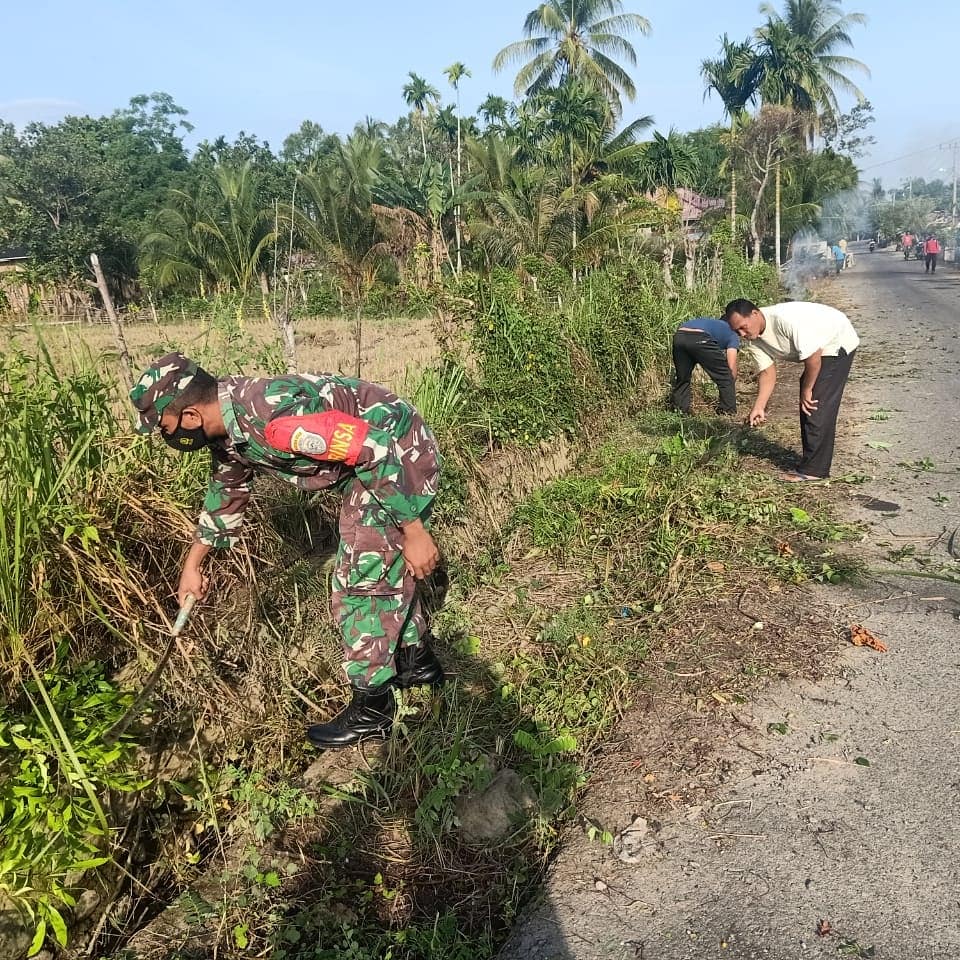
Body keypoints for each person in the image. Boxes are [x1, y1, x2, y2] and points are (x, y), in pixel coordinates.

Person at [130, 354, 444, 749]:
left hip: (398, 456)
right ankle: (417, 663)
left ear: (191, 416)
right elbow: (226, 494)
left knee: (360, 585)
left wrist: (413, 530)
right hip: (371, 464)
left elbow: (375, 449)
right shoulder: (228, 432)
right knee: (382, 568)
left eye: (165, 426)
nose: (167, 436)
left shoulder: (276, 421)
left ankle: (373, 709)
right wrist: (192, 565)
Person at [723, 299, 860, 482]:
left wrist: (807, 389)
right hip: (818, 350)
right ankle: (812, 461)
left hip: (837, 339)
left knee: (815, 402)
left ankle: (815, 470)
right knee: (810, 397)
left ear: (755, 314)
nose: (742, 334)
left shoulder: (785, 320)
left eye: (743, 327)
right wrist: (759, 406)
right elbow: (767, 373)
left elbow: (813, 358)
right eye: (736, 331)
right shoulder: (753, 340)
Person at [669, 316, 739, 416]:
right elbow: (731, 366)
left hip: (679, 336)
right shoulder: (732, 332)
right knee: (725, 376)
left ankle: (679, 411)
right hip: (700, 337)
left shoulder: (712, 324)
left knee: (683, 378)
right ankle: (727, 413)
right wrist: (730, 383)